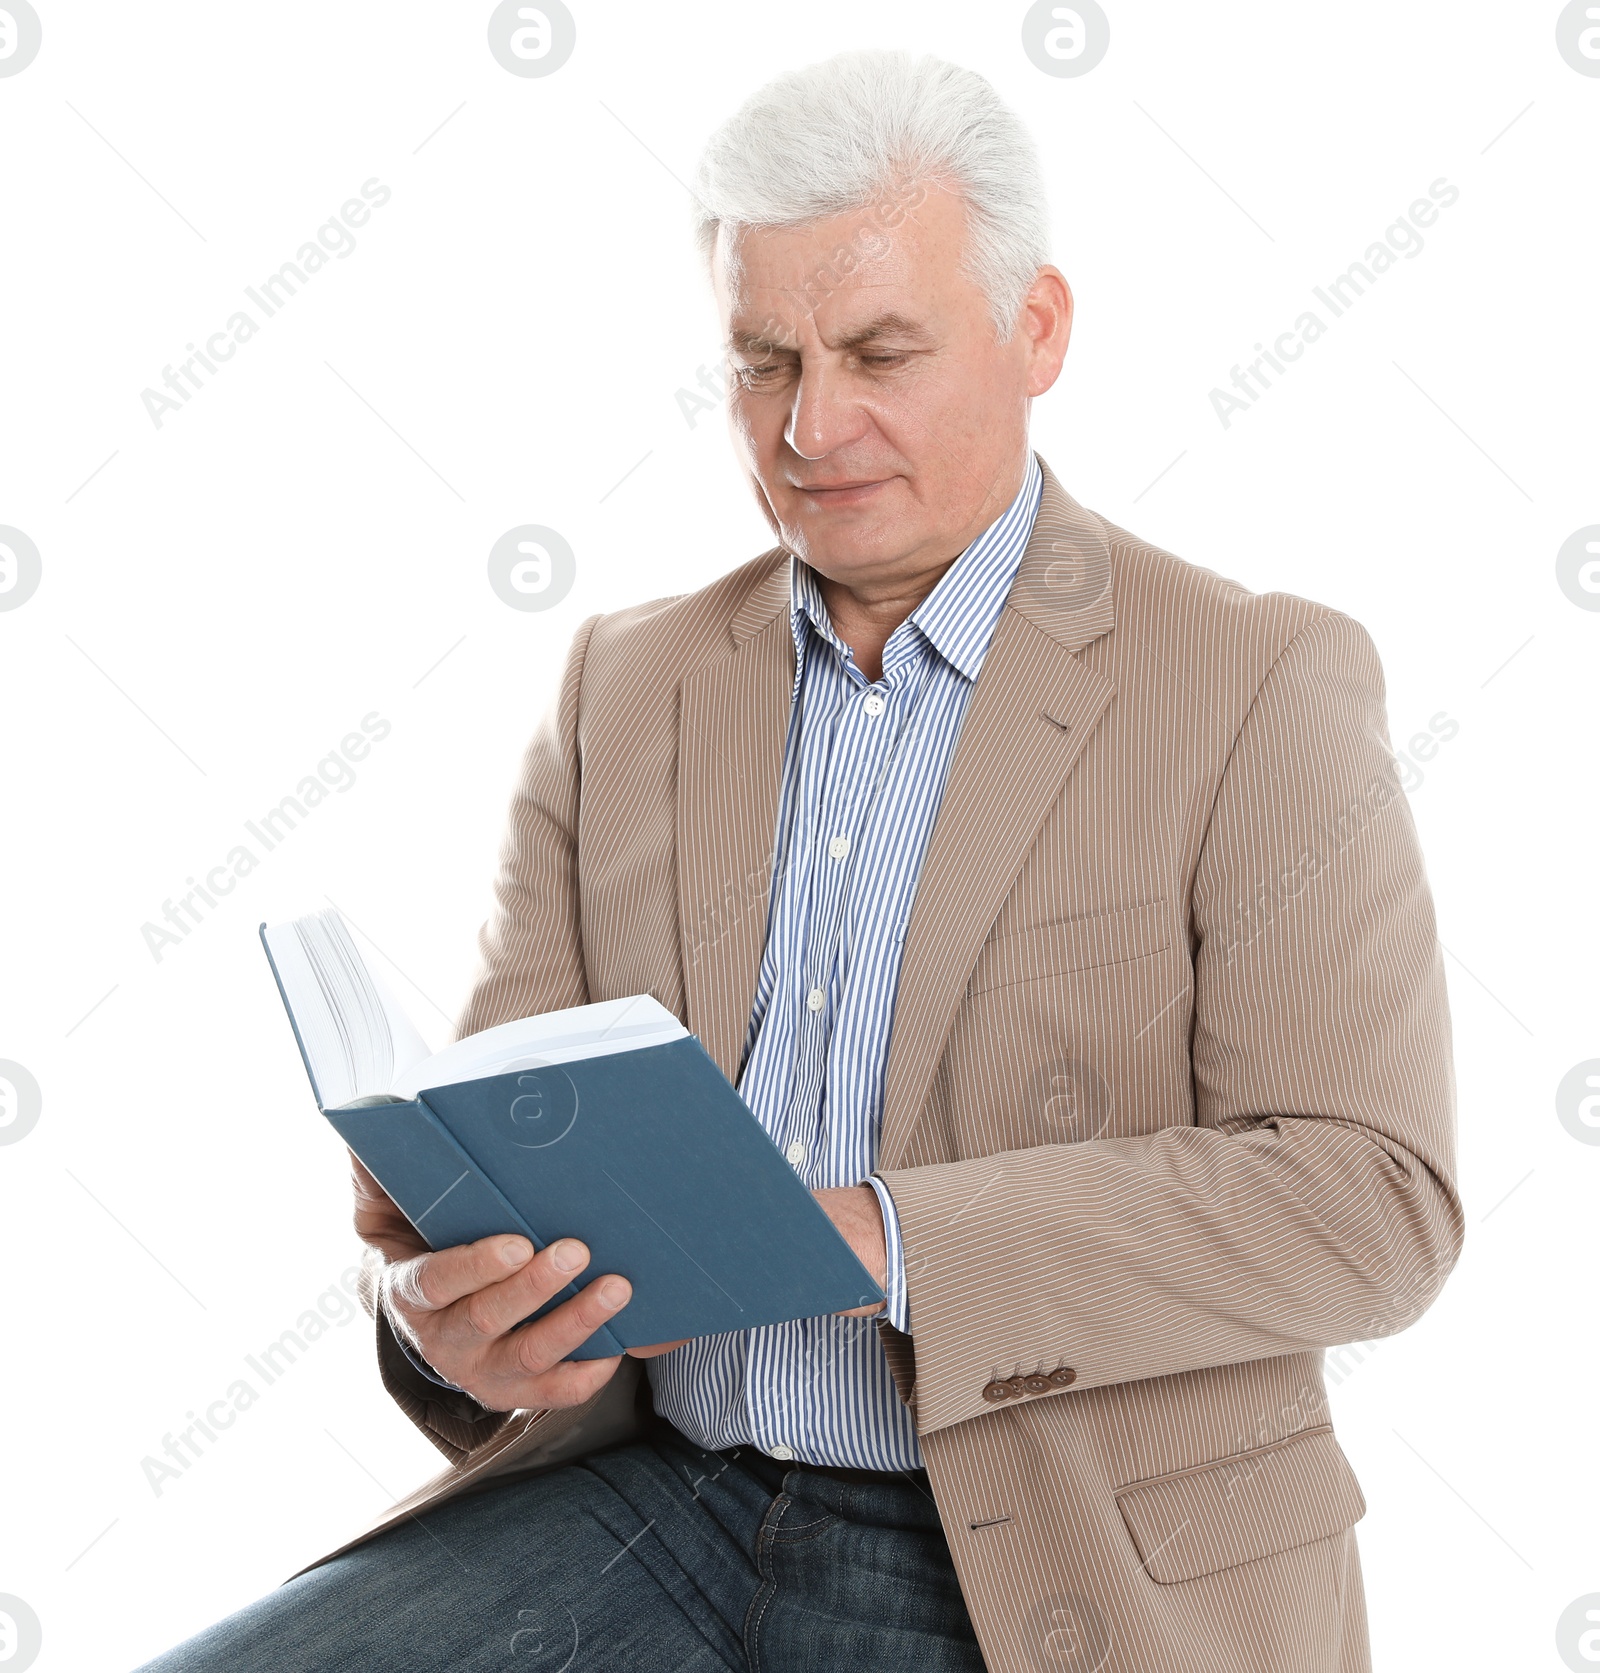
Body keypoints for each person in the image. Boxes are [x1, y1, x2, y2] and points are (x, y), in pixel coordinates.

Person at [138, 49, 1461, 1673]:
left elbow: (1371, 1202)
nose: (811, 425)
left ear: (1037, 329)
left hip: (1048, 1551)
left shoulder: (1256, 680)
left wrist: (882, 1236)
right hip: (663, 1495)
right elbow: (502, 1142)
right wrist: (451, 1313)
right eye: (763, 359)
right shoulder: (620, 688)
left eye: (879, 351)